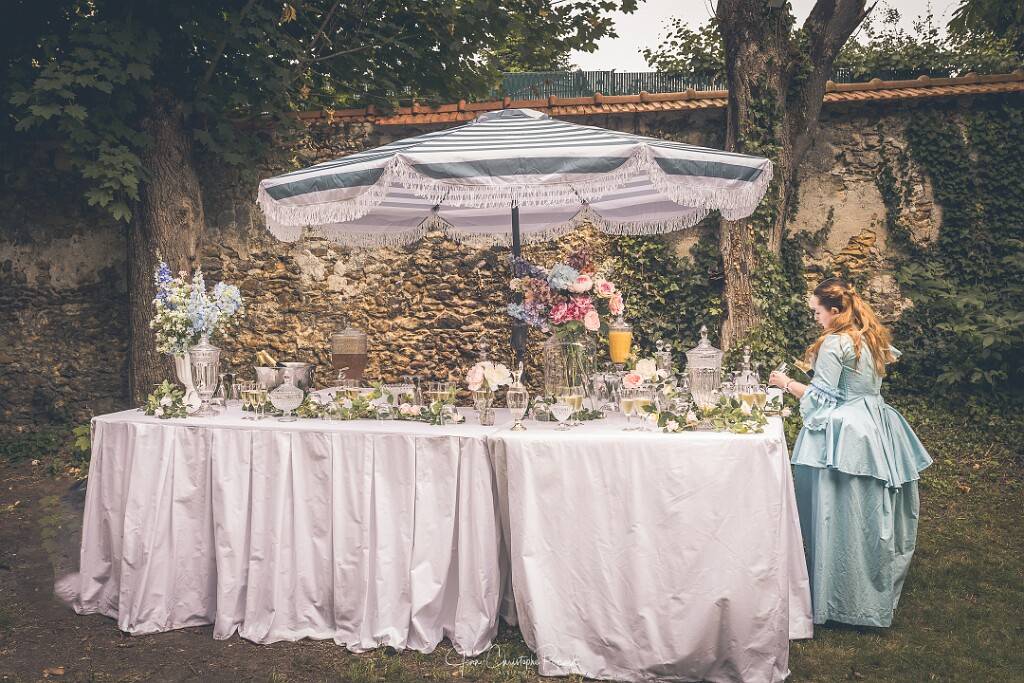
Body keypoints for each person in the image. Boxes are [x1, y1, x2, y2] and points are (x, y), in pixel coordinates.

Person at [769, 277, 932, 628]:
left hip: (848, 432)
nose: (815, 318)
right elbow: (857, 384)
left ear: (834, 310)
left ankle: (842, 596)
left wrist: (785, 383)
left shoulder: (834, 343)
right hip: (876, 422)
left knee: (839, 512)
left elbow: (822, 398)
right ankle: (866, 585)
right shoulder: (868, 336)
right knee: (866, 510)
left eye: (817, 311)